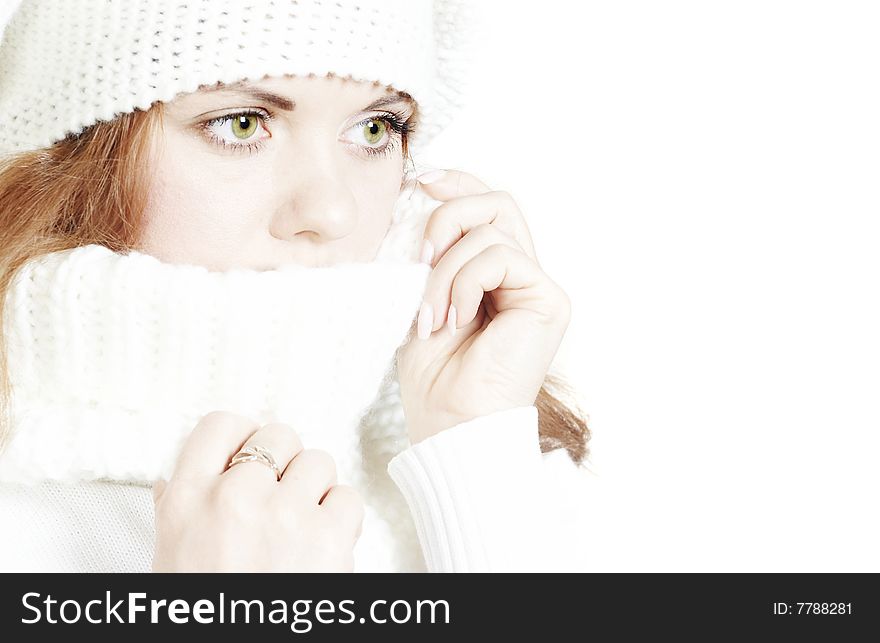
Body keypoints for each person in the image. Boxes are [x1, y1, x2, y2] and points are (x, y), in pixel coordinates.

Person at [0, 0, 592, 572]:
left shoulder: (457, 468)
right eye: (243, 124)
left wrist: (469, 443)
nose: (332, 211)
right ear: (78, 159)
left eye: (374, 130)